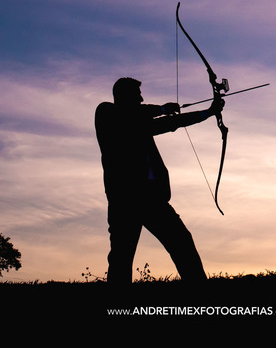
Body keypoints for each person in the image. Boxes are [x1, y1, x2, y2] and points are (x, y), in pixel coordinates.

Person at [95, 76, 224, 284]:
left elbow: (171, 122)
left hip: (152, 198)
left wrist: (208, 113)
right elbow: (141, 116)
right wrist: (163, 109)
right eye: (137, 95)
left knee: (181, 242)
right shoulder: (107, 114)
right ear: (124, 96)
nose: (141, 99)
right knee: (122, 255)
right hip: (125, 200)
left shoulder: (139, 123)